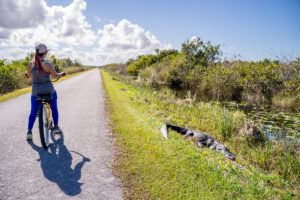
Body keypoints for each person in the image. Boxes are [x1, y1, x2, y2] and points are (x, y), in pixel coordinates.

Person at [26, 43, 64, 140]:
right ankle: (55, 127)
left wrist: (29, 75)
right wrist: (61, 74)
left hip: (36, 92)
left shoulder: (30, 64)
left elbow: (30, 75)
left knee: (33, 111)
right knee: (54, 108)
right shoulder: (47, 65)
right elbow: (55, 75)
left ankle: (29, 132)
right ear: (46, 53)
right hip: (48, 91)